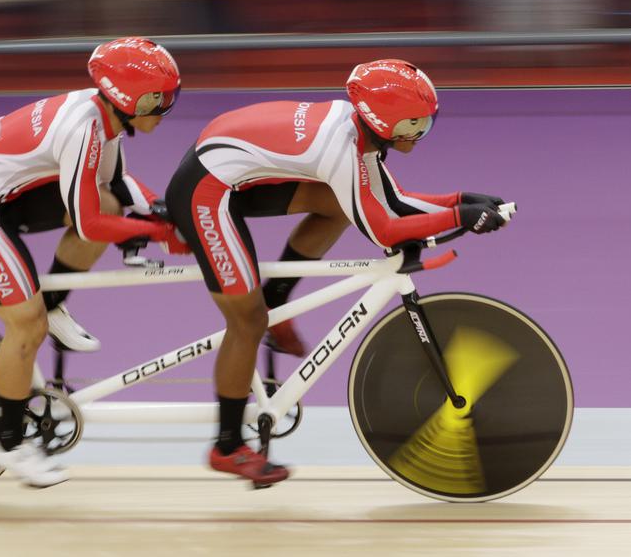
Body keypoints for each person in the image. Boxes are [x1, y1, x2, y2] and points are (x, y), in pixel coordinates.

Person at [165, 59, 507, 486]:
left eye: (426, 123)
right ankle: (228, 445)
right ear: (383, 121)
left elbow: (392, 199)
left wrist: (463, 199)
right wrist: (460, 214)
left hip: (228, 165)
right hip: (207, 191)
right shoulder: (340, 148)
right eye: (414, 125)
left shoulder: (356, 129)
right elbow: (384, 226)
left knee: (337, 202)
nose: (420, 134)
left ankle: (275, 300)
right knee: (245, 322)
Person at [0, 37, 187, 487]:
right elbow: (90, 226)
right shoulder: (84, 128)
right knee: (26, 326)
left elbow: (115, 182)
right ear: (127, 96)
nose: (166, 107)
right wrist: (156, 232)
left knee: (111, 203)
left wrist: (161, 210)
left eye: (170, 96)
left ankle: (52, 304)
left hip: (11, 193)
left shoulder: (104, 117)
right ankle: (8, 441)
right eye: (159, 99)